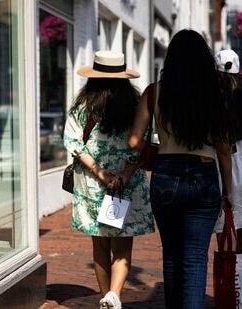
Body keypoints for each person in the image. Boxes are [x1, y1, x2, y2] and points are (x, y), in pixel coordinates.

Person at [128, 29, 233, 309]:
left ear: (171, 59)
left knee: (172, 255)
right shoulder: (215, 94)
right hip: (205, 173)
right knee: (195, 259)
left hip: (166, 173)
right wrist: (229, 192)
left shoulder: (154, 92)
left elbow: (134, 140)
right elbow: (223, 149)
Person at [63, 50, 154, 309]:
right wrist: (124, 174)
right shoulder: (137, 102)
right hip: (126, 184)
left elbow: (72, 141)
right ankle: (114, 295)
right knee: (123, 246)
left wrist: (99, 172)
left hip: (94, 184)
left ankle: (106, 297)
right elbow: (143, 141)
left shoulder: (84, 104)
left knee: (100, 244)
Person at [213, 49, 242, 269]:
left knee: (223, 236)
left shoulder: (211, 104)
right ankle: (240, 292)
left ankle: (226, 290)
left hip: (221, 169)